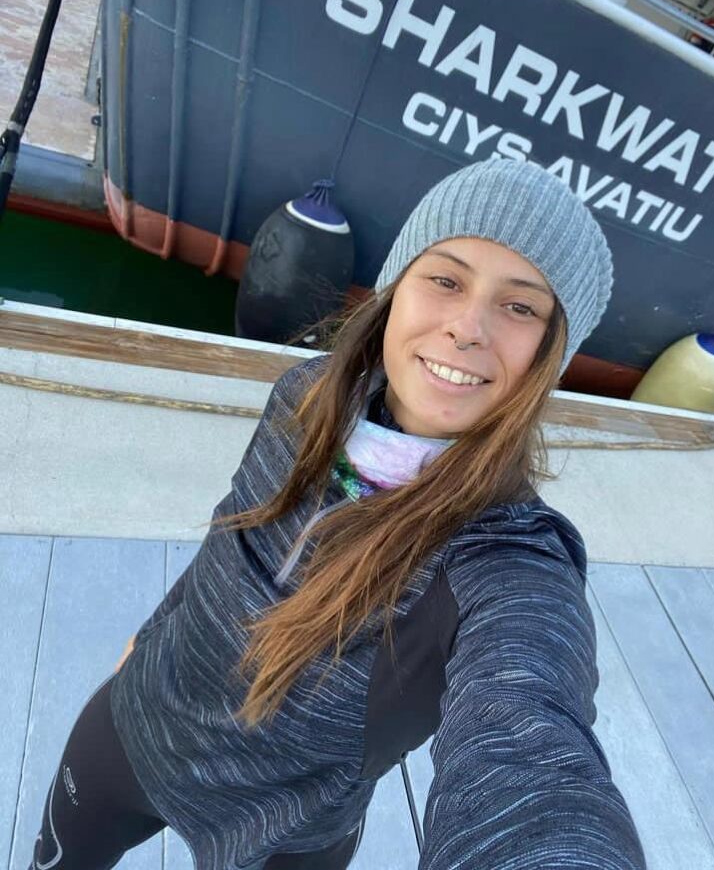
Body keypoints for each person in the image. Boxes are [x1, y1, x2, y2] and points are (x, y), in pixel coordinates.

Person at [29, 156, 646, 870]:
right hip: (134, 729)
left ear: (549, 353)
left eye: (520, 306)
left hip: (283, 834)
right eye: (445, 279)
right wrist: (151, 631)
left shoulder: (506, 558)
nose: (468, 327)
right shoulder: (303, 395)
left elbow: (531, 741)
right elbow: (230, 531)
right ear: (395, 291)